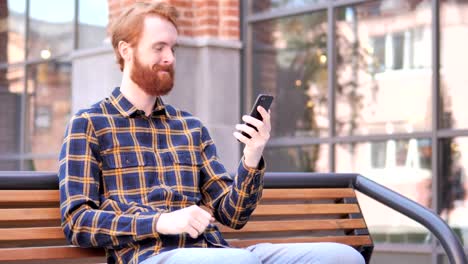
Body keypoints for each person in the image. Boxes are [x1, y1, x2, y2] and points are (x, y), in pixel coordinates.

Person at [58, 2, 365, 264]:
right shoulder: (89, 124)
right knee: (238, 261)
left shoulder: (190, 128)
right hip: (150, 255)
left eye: (173, 48)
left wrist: (252, 156)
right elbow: (77, 221)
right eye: (159, 47)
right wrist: (161, 222)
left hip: (217, 252)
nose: (170, 58)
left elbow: (232, 216)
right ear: (126, 50)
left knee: (342, 257)